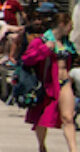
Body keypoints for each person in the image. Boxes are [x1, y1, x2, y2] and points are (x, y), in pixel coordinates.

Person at [22, 14, 78, 152]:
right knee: (42, 119)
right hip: (48, 85)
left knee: (68, 117)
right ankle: (42, 146)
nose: (72, 29)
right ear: (62, 24)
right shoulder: (40, 41)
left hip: (65, 83)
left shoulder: (67, 44)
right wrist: (45, 49)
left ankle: (73, 149)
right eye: (70, 26)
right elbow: (27, 59)